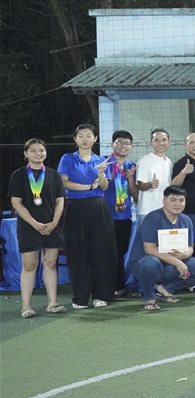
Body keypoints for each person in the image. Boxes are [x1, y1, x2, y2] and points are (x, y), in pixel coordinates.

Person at [58, 123, 117, 309]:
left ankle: (101, 295)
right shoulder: (67, 158)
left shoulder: (101, 160)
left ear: (95, 139)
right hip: (75, 207)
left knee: (101, 251)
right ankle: (80, 298)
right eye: (81, 136)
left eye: (89, 136)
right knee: (77, 252)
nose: (85, 139)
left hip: (98, 208)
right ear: (75, 139)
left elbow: (104, 186)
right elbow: (64, 182)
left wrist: (100, 173)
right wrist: (88, 187)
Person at [126, 186, 195, 310]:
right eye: (173, 200)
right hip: (147, 263)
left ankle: (165, 289)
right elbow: (150, 249)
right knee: (150, 263)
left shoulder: (186, 220)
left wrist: (184, 255)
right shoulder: (152, 218)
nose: (177, 204)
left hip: (171, 264)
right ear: (164, 201)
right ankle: (149, 297)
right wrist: (178, 262)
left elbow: (190, 247)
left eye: (181, 200)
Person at [10, 138, 67, 317]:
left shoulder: (53, 175)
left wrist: (54, 223)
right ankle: (26, 306)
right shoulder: (18, 175)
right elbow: (16, 203)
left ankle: (53, 303)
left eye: (41, 150)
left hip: (52, 226)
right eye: (33, 151)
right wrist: (35, 224)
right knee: (29, 265)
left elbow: (60, 201)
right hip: (28, 227)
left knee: (50, 263)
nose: (38, 154)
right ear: (26, 154)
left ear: (46, 153)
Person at [104, 130, 139, 298]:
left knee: (120, 253)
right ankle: (104, 287)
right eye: (119, 142)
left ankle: (119, 286)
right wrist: (109, 176)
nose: (123, 146)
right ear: (112, 144)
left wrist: (131, 179)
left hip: (124, 217)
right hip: (105, 216)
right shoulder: (103, 163)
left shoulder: (132, 166)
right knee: (106, 252)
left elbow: (136, 196)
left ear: (131, 147)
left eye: (127, 143)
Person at [135, 127, 173, 216]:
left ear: (169, 142)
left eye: (164, 140)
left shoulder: (168, 162)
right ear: (151, 143)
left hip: (165, 209)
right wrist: (150, 184)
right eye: (156, 140)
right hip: (147, 211)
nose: (161, 143)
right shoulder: (144, 161)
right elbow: (140, 186)